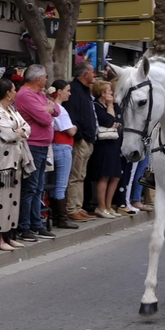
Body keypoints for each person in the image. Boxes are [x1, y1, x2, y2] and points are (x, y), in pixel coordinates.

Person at [13, 65, 57, 241]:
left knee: (38, 187)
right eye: (45, 77)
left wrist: (49, 109)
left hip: (42, 145)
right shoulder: (25, 95)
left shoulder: (39, 94)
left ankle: (36, 223)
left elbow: (57, 110)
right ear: (38, 79)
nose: (47, 79)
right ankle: (25, 226)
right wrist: (47, 110)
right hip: (32, 145)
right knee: (30, 188)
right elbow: (45, 118)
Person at [0, 79, 30, 251]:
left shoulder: (11, 109)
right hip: (1, 162)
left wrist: (19, 132)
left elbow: (27, 127)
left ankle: (9, 235)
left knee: (13, 199)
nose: (16, 93)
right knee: (0, 200)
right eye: (14, 90)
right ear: (8, 93)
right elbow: (8, 135)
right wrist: (18, 132)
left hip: (15, 159)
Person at [65, 63, 99, 219]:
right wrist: (80, 137)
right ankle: (71, 208)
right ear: (85, 74)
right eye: (92, 72)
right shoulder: (74, 90)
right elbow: (73, 116)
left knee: (81, 175)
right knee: (75, 175)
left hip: (88, 139)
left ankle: (78, 206)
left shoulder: (85, 91)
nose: (94, 75)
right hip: (81, 139)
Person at [46, 80, 80, 229]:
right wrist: (75, 127)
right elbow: (70, 131)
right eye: (67, 90)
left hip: (54, 146)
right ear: (59, 91)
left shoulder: (50, 106)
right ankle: (62, 218)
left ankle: (54, 214)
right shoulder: (59, 109)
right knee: (61, 183)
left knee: (54, 182)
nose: (69, 93)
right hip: (63, 146)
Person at [90, 81, 126, 217]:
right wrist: (110, 106)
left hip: (115, 143)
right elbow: (110, 120)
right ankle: (101, 206)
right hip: (104, 144)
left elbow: (118, 120)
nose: (112, 94)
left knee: (115, 176)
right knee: (104, 175)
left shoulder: (115, 106)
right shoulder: (97, 106)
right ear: (102, 93)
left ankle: (109, 205)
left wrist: (112, 107)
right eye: (109, 91)